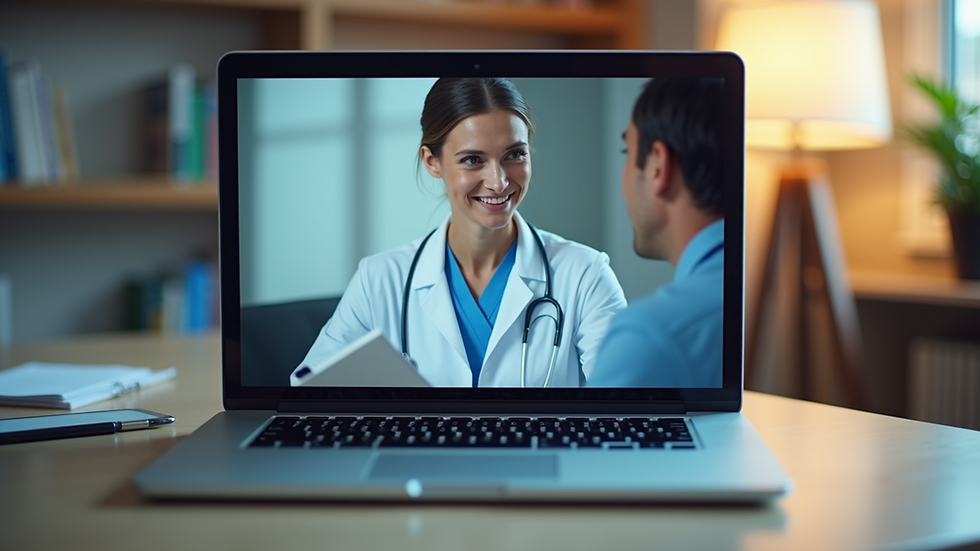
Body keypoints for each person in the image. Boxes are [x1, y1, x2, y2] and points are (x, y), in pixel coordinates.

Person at [295, 77, 626, 388]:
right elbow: (310, 393)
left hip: (541, 449)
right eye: (472, 160)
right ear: (432, 162)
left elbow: (631, 400)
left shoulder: (585, 275)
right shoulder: (379, 280)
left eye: (514, 154)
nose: (498, 182)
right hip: (420, 450)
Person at [589, 78, 725, 388]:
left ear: (657, 167)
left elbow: (591, 437)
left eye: (628, 150)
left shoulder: (649, 336)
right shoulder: (757, 292)